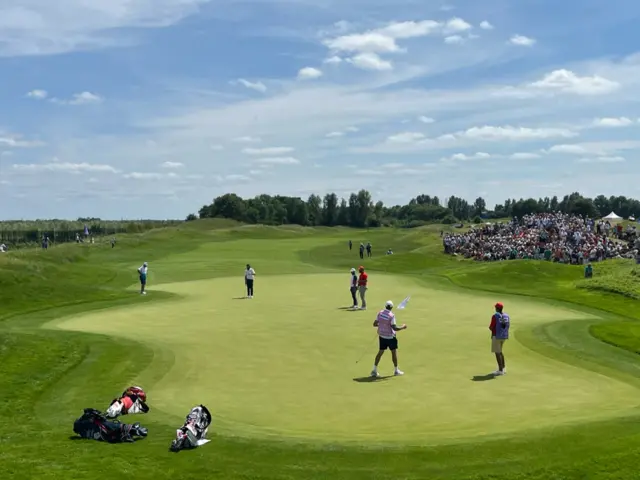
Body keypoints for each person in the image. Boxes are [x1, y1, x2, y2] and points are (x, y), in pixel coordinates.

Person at [370, 300, 407, 377]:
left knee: (380, 352)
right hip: (390, 337)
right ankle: (396, 370)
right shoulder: (391, 315)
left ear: (385, 306)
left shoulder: (380, 313)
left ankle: (374, 370)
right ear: (391, 307)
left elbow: (375, 324)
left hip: (382, 336)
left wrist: (382, 325)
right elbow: (395, 328)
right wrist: (403, 327)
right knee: (394, 353)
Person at [489, 302, 510, 376]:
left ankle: (500, 370)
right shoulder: (507, 316)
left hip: (496, 336)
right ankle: (503, 368)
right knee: (500, 351)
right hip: (504, 336)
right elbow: (508, 326)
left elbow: (491, 327)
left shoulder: (495, 316)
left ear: (497, 308)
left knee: (497, 352)